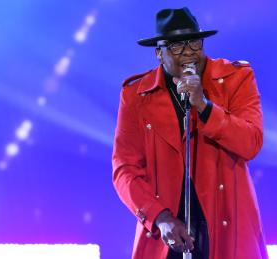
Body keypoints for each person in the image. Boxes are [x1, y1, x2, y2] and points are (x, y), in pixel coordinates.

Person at [112, 7, 268, 259]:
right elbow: (124, 170)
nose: (189, 54)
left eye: (194, 43)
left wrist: (204, 106)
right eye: (176, 47)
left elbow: (251, 143)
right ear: (159, 53)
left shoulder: (235, 78)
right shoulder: (136, 95)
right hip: (167, 233)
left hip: (227, 226)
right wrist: (159, 217)